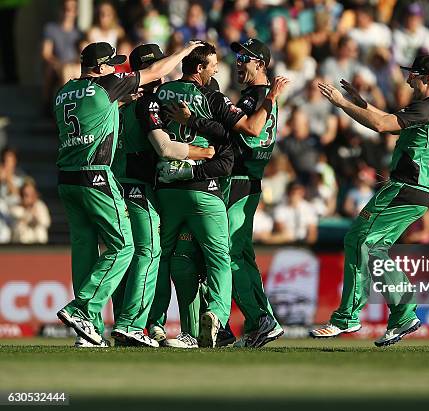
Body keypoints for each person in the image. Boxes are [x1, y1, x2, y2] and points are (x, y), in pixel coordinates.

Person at [54, 39, 204, 347]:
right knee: (125, 247)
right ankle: (85, 309)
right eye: (111, 64)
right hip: (96, 176)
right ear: (100, 69)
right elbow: (157, 70)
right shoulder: (108, 86)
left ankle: (90, 331)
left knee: (84, 251)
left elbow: (91, 114)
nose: (115, 68)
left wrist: (122, 101)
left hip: (66, 179)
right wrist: (185, 50)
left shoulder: (64, 92)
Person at [149, 42, 288, 348]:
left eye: (244, 59)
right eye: (236, 58)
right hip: (238, 181)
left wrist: (193, 122)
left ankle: (255, 320)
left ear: (261, 64)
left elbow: (249, 131)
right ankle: (251, 323)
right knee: (236, 254)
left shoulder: (256, 97)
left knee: (229, 253)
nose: (237, 63)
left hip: (238, 180)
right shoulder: (254, 96)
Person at [310, 55, 429, 346]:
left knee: (359, 241)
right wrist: (361, 101)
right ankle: (403, 313)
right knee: (373, 248)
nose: (408, 80)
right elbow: (384, 117)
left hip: (404, 187)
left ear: (427, 79)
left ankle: (347, 317)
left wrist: (341, 104)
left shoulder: (425, 107)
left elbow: (381, 125)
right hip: (416, 190)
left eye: (413, 75)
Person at [108, 44, 219, 348]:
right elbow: (166, 149)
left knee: (128, 255)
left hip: (114, 186)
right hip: (140, 186)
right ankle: (135, 323)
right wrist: (204, 151)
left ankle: (133, 322)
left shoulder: (117, 103)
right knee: (152, 253)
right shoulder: (147, 104)